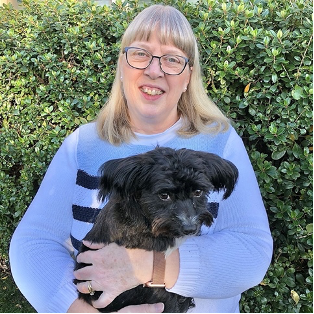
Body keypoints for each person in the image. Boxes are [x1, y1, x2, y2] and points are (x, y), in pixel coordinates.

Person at [9, 4, 273, 313]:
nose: (154, 69)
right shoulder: (83, 144)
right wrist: (76, 309)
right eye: (140, 54)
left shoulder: (220, 142)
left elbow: (252, 251)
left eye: (172, 59)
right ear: (121, 66)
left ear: (188, 76)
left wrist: (151, 266)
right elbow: (33, 244)